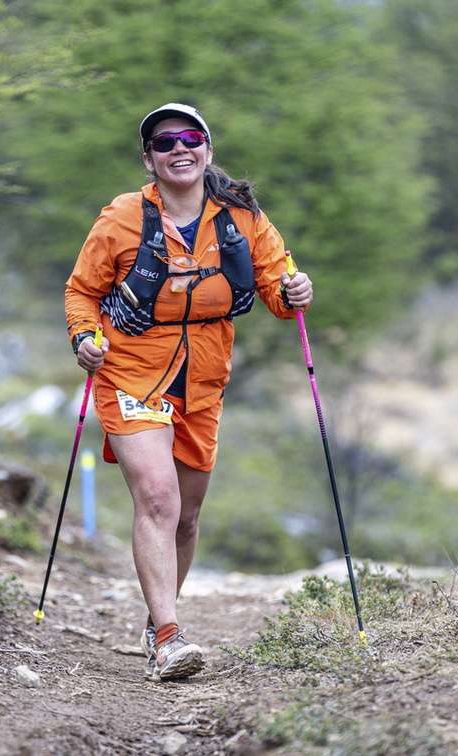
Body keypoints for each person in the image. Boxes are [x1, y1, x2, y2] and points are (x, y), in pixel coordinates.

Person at [64, 103, 313, 681]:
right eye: (165, 141)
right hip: (130, 369)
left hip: (203, 378)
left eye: (191, 137)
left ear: (206, 148)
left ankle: (156, 621)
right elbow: (81, 292)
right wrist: (85, 338)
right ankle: (170, 639)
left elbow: (279, 291)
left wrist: (296, 290)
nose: (181, 148)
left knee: (187, 516)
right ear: (149, 159)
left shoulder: (242, 217)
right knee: (158, 498)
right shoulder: (122, 218)